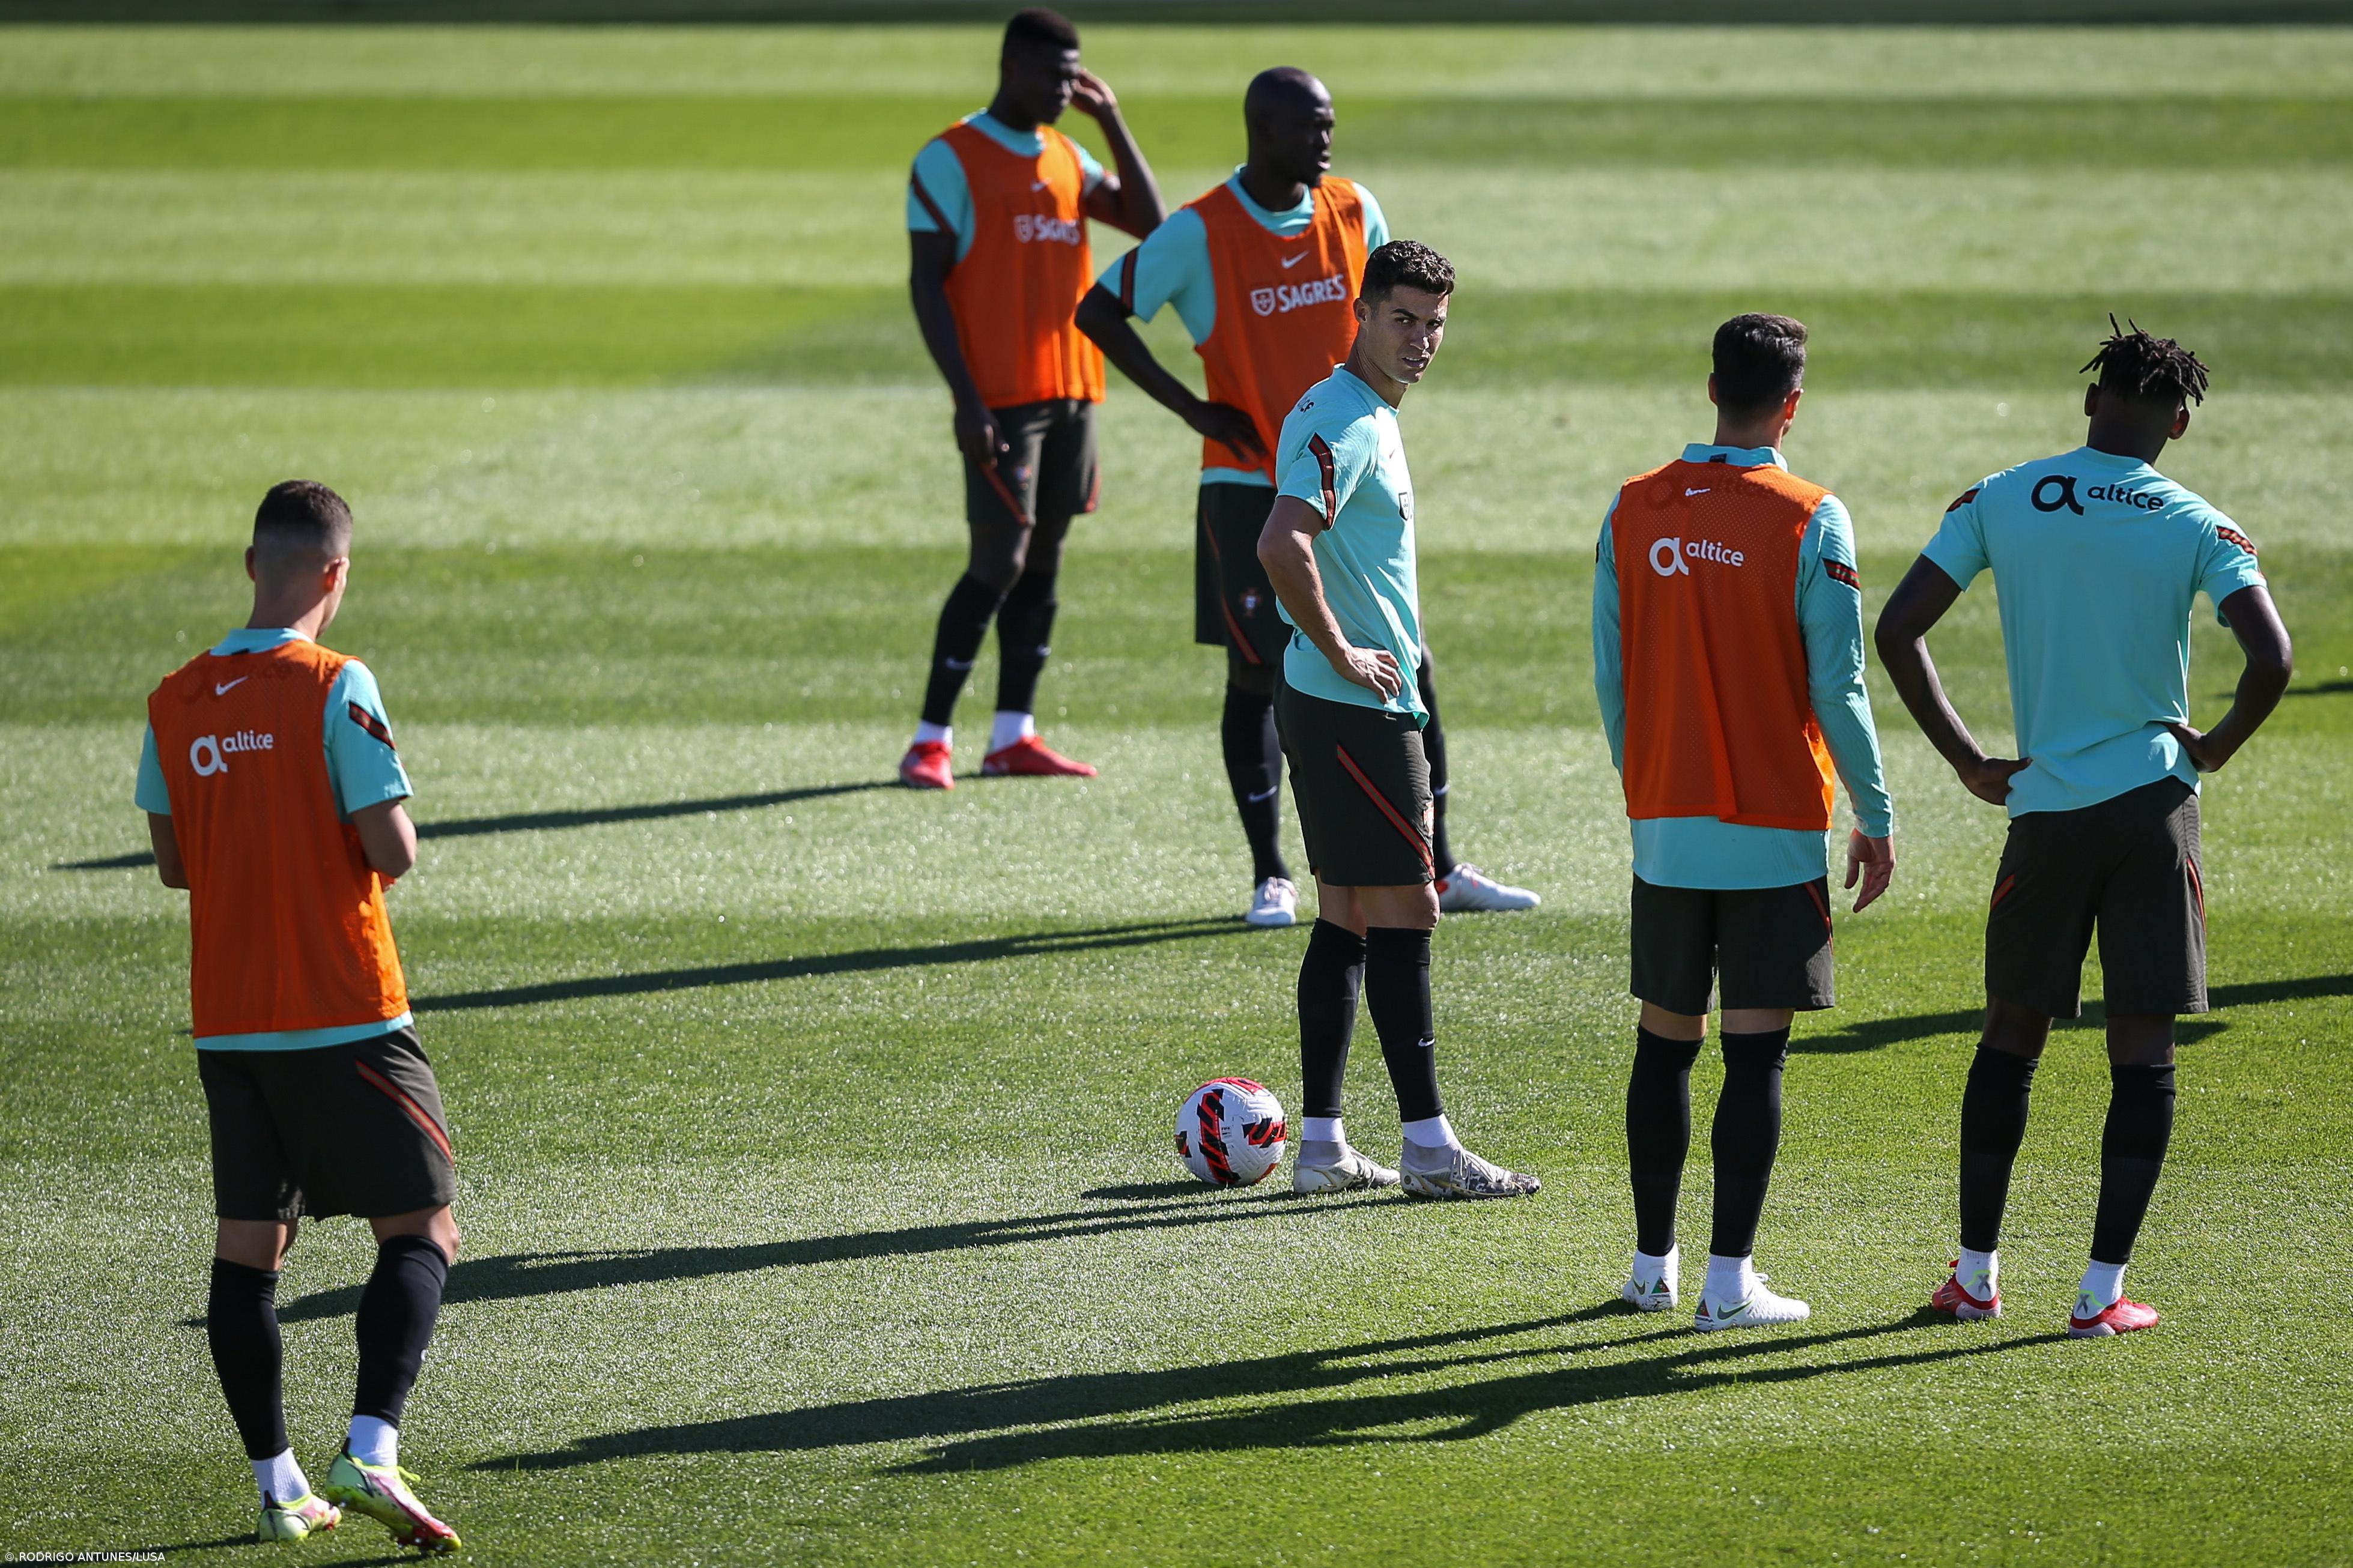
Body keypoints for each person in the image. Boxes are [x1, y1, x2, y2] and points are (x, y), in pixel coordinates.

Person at [1875, 319, 2291, 1338]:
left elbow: (1896, 629)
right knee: (2141, 1052)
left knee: (2009, 1039)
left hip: (2045, 813)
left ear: (2090, 399)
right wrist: (2215, 746)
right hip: (2153, 809)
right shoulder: (2198, 522)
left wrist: (1971, 760)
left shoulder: (2003, 495)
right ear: (2178, 423)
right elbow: (2272, 659)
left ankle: (1973, 1277)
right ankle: (2100, 1296)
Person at [1075, 67, 1540, 928]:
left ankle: (1437, 865)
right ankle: (1269, 875)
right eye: (1309, 126)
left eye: (1329, 124)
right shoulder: (1201, 230)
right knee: (1254, 670)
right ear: (1262, 129)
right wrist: (1191, 407)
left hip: (1353, 481)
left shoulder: (1355, 209)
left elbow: (1392, 317)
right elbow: (1099, 311)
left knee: (1409, 655)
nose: (1325, 139)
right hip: (1246, 483)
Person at [136, 482, 462, 1552]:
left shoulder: (174, 700)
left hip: (230, 1022)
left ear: (249, 565)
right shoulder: (337, 681)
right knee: (421, 1228)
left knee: (247, 1253)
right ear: (336, 574)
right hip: (342, 1006)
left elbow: (177, 866)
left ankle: (280, 1487)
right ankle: (369, 1448)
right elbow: (392, 848)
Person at [1592, 314, 1896, 1331]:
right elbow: (1840, 686)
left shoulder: (1632, 508)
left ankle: (1649, 1271)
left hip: (1665, 821)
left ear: (1710, 386)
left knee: (1663, 1049)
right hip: (1771, 827)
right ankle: (1728, 1286)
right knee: (1754, 1056)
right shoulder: (1811, 516)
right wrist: (1875, 810)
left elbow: (1610, 673)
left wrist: (1651, 779)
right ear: (1790, 404)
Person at [1256, 240, 1540, 1200]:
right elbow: (1280, 543)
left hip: (1327, 703)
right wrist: (1345, 651)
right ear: (1363, 315)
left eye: (1434, 325)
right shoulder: (1350, 419)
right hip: (1355, 710)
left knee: (1343, 915)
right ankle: (1427, 1148)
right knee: (1410, 910)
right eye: (1403, 320)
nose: (1421, 340)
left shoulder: (1348, 408)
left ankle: (1324, 1146)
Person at [898, 7, 1165, 790]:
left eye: (1075, 73)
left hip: (1072, 390)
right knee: (998, 559)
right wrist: (965, 400)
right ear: (1010, 68)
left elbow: (1152, 226)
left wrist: (1111, 121)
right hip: (1002, 398)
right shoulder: (949, 158)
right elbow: (926, 284)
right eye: (1054, 74)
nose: (1066, 87)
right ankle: (929, 738)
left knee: (1044, 558)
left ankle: (1013, 733)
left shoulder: (1065, 154)